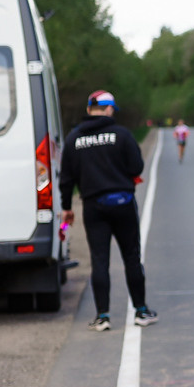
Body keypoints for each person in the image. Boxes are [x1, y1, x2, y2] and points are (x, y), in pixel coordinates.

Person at [62, 90, 156, 330]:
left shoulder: (74, 139)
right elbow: (136, 167)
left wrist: (67, 208)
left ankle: (102, 316)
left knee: (99, 260)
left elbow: (67, 179)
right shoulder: (122, 135)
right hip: (123, 203)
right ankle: (141, 311)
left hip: (94, 207)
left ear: (88, 109)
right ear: (109, 109)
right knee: (131, 258)